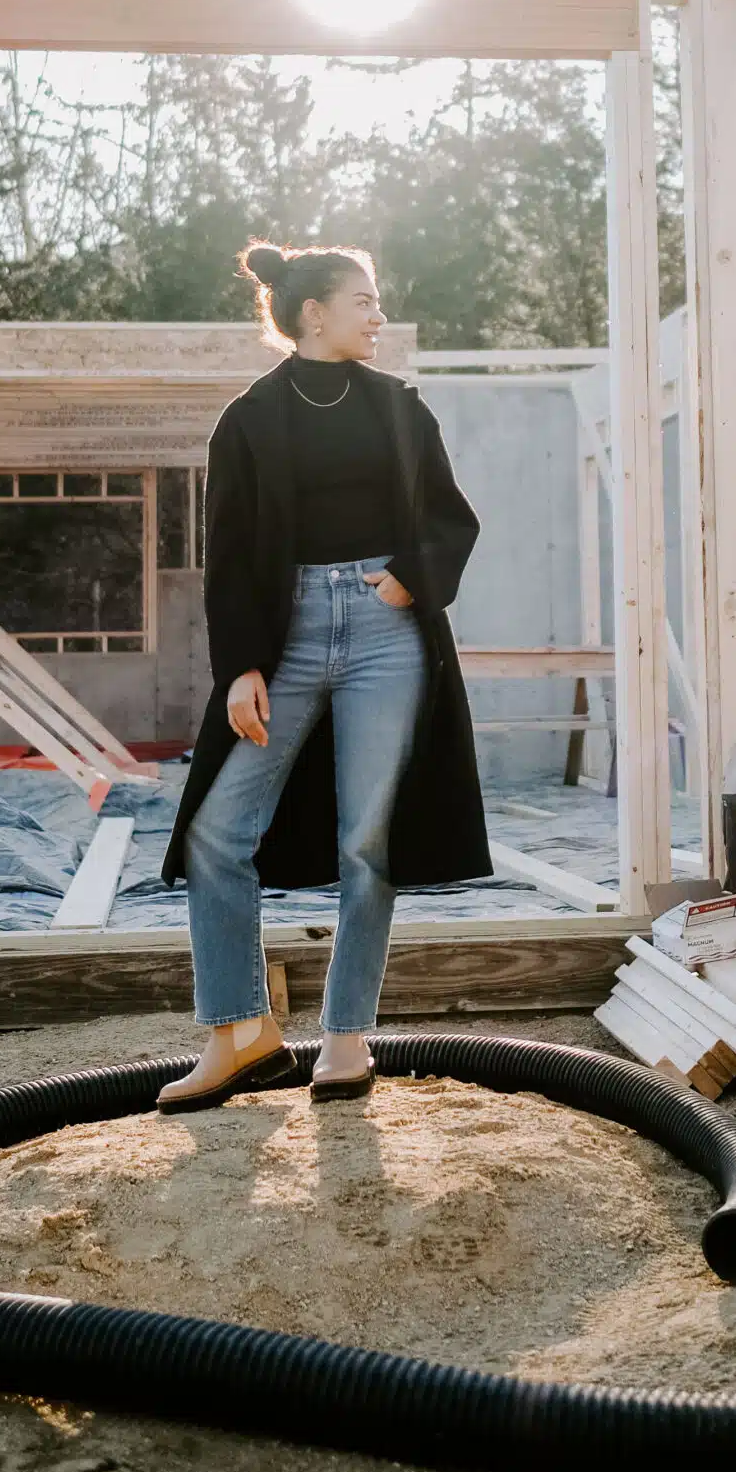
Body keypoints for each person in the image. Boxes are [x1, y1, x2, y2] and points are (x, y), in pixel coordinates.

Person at [157, 242, 489, 1110]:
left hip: (387, 632)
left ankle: (344, 1041)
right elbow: (227, 558)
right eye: (365, 301)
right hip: (288, 633)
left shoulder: (398, 409)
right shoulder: (248, 421)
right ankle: (240, 1033)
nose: (378, 316)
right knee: (216, 832)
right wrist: (240, 670)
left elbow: (454, 517)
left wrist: (411, 575)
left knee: (364, 841)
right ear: (314, 314)